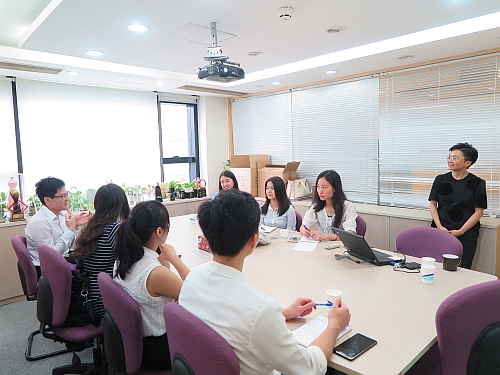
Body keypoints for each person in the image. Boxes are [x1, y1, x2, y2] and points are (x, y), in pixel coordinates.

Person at [179, 190, 351, 375]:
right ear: (254, 241)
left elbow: (231, 317)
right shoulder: (260, 310)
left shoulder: (190, 280)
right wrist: (334, 325)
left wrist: (282, 313)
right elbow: (309, 368)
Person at [113, 200, 190, 371]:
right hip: (159, 349)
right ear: (160, 231)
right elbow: (195, 291)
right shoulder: (154, 273)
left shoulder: (124, 256)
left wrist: (163, 259)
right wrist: (174, 259)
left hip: (137, 341)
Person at [72, 183, 130, 318]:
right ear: (121, 204)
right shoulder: (114, 230)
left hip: (90, 294)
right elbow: (132, 263)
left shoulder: (90, 227)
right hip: (105, 300)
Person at [429, 143, 487, 269]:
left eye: (454, 158)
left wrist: (461, 231)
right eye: (449, 157)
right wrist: (439, 227)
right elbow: (433, 205)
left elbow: (479, 212)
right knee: (436, 266)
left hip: (466, 233)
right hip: (440, 229)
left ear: (468, 163)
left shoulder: (477, 183)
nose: (450, 160)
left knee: (461, 269)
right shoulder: (440, 180)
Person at [25, 177, 92, 278]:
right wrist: (70, 230)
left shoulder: (61, 214)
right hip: (47, 270)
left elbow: (67, 246)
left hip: (61, 259)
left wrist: (75, 226)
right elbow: (52, 255)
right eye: (62, 196)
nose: (67, 199)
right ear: (47, 200)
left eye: (67, 194)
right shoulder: (39, 222)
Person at [300, 170, 357, 241]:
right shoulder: (317, 206)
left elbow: (349, 235)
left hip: (340, 248)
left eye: (324, 187)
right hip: (321, 246)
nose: (320, 191)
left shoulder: (348, 207)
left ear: (334, 189)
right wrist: (305, 231)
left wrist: (325, 236)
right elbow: (303, 226)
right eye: (318, 187)